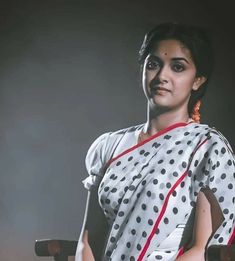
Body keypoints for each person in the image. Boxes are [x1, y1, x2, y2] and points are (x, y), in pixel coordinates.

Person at [75, 22, 235, 261]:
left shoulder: (206, 148)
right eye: (153, 65)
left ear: (197, 80)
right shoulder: (109, 145)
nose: (162, 76)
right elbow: (87, 241)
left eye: (178, 67)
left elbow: (200, 250)